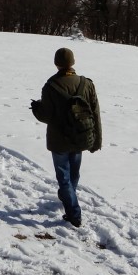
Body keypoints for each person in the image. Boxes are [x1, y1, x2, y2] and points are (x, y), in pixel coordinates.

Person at [30, 47, 102, 228]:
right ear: (73, 62)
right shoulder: (87, 84)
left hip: (59, 140)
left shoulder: (50, 86)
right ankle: (67, 195)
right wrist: (97, 140)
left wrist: (36, 108)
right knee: (73, 174)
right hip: (81, 137)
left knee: (64, 178)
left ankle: (74, 214)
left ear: (56, 63)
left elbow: (46, 116)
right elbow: (95, 113)